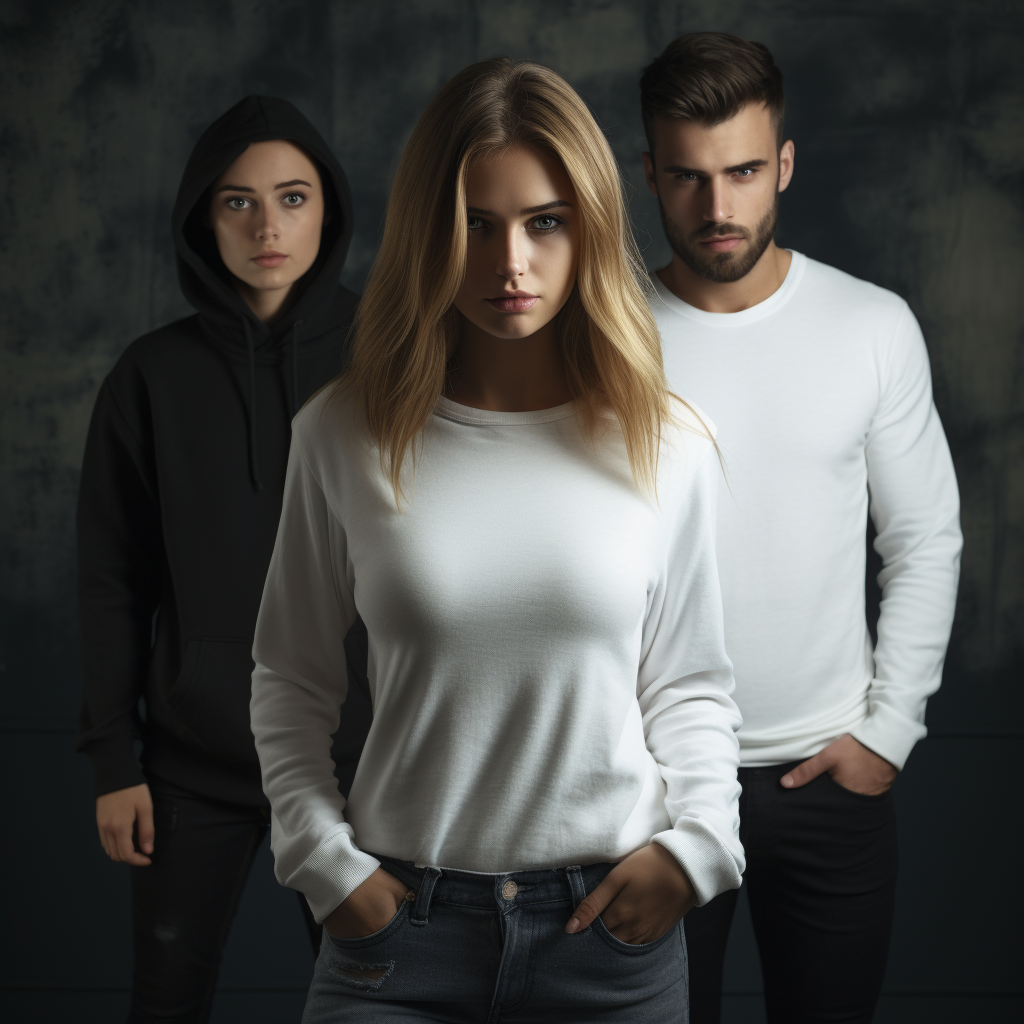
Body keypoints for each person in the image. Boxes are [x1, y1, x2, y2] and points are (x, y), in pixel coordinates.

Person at [250, 57, 744, 1023]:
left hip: (610, 939)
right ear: (426, 234)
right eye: (473, 225)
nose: (509, 263)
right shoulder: (342, 434)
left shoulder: (669, 441)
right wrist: (323, 865)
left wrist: (696, 855)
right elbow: (290, 677)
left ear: (590, 229)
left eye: (544, 223)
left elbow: (688, 684)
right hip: (397, 938)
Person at [640, 33, 962, 1024]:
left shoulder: (870, 325)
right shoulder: (604, 332)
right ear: (648, 174)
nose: (717, 206)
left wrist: (887, 731)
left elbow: (925, 538)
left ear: (782, 162)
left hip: (827, 779)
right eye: (688, 177)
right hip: (649, 783)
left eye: (741, 171)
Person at [75, 95, 371, 1024]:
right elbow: (110, 576)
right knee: (166, 999)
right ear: (204, 216)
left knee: (375, 1002)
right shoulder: (149, 376)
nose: (267, 227)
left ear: (328, 208)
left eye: (291, 198)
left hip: (360, 764)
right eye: (237, 202)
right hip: (187, 768)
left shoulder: (394, 354)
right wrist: (112, 763)